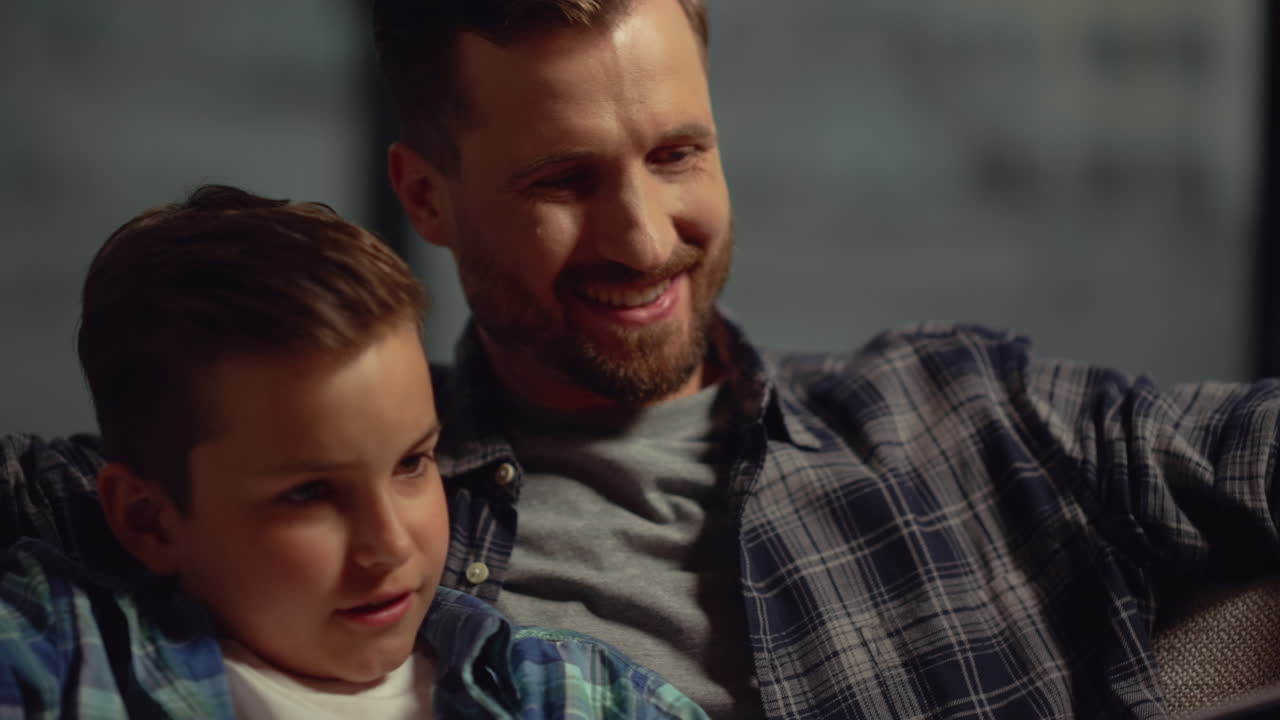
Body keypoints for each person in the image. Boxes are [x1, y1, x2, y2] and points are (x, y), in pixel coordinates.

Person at [3, 1, 1279, 718]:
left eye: (675, 155)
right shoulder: (320, 473)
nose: (641, 237)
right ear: (426, 195)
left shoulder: (971, 415)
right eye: (563, 181)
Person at [0, 185, 710, 719]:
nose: (389, 544)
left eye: (412, 463)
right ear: (149, 519)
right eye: (310, 493)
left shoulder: (574, 696)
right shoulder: (55, 659)